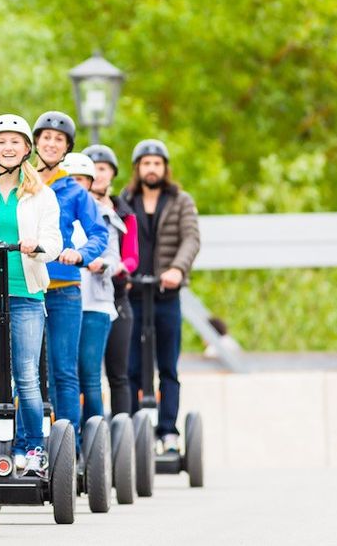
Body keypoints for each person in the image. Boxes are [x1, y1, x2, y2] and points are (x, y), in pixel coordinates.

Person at [0, 114, 62, 475]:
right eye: (1, 142)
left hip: (26, 294)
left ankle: (32, 449)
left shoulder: (41, 194)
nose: (8, 147)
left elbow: (55, 242)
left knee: (26, 376)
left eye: (15, 142)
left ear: (26, 149)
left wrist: (37, 246)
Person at [17, 111, 108, 452]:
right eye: (46, 138)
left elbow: (99, 233)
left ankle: (70, 449)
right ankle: (26, 446)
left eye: (59, 140)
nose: (51, 143)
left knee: (63, 373)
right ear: (36, 143)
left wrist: (80, 254)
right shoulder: (22, 183)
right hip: (25, 286)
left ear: (67, 147)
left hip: (64, 289)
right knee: (25, 372)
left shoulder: (75, 190)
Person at [120, 139, 200, 452]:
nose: (151, 168)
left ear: (164, 168)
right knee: (132, 368)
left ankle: (168, 431)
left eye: (157, 163)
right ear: (137, 168)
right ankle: (136, 430)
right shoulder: (125, 200)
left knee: (168, 367)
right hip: (134, 294)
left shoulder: (180, 200)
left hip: (166, 296)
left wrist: (177, 270)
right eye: (145, 163)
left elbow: (191, 238)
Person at [62, 152, 121, 425]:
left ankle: (94, 439)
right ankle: (67, 438)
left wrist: (99, 263)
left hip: (94, 303)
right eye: (71, 179)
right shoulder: (54, 212)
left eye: (81, 179)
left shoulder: (103, 215)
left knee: (89, 374)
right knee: (64, 373)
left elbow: (114, 258)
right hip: (62, 299)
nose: (76, 184)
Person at [82, 144, 138, 417]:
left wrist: (113, 268)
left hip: (115, 293)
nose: (98, 174)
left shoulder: (123, 213)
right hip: (83, 295)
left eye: (102, 169)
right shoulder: (77, 207)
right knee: (84, 371)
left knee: (118, 371)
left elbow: (131, 256)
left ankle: (121, 432)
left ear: (112, 175)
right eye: (92, 169)